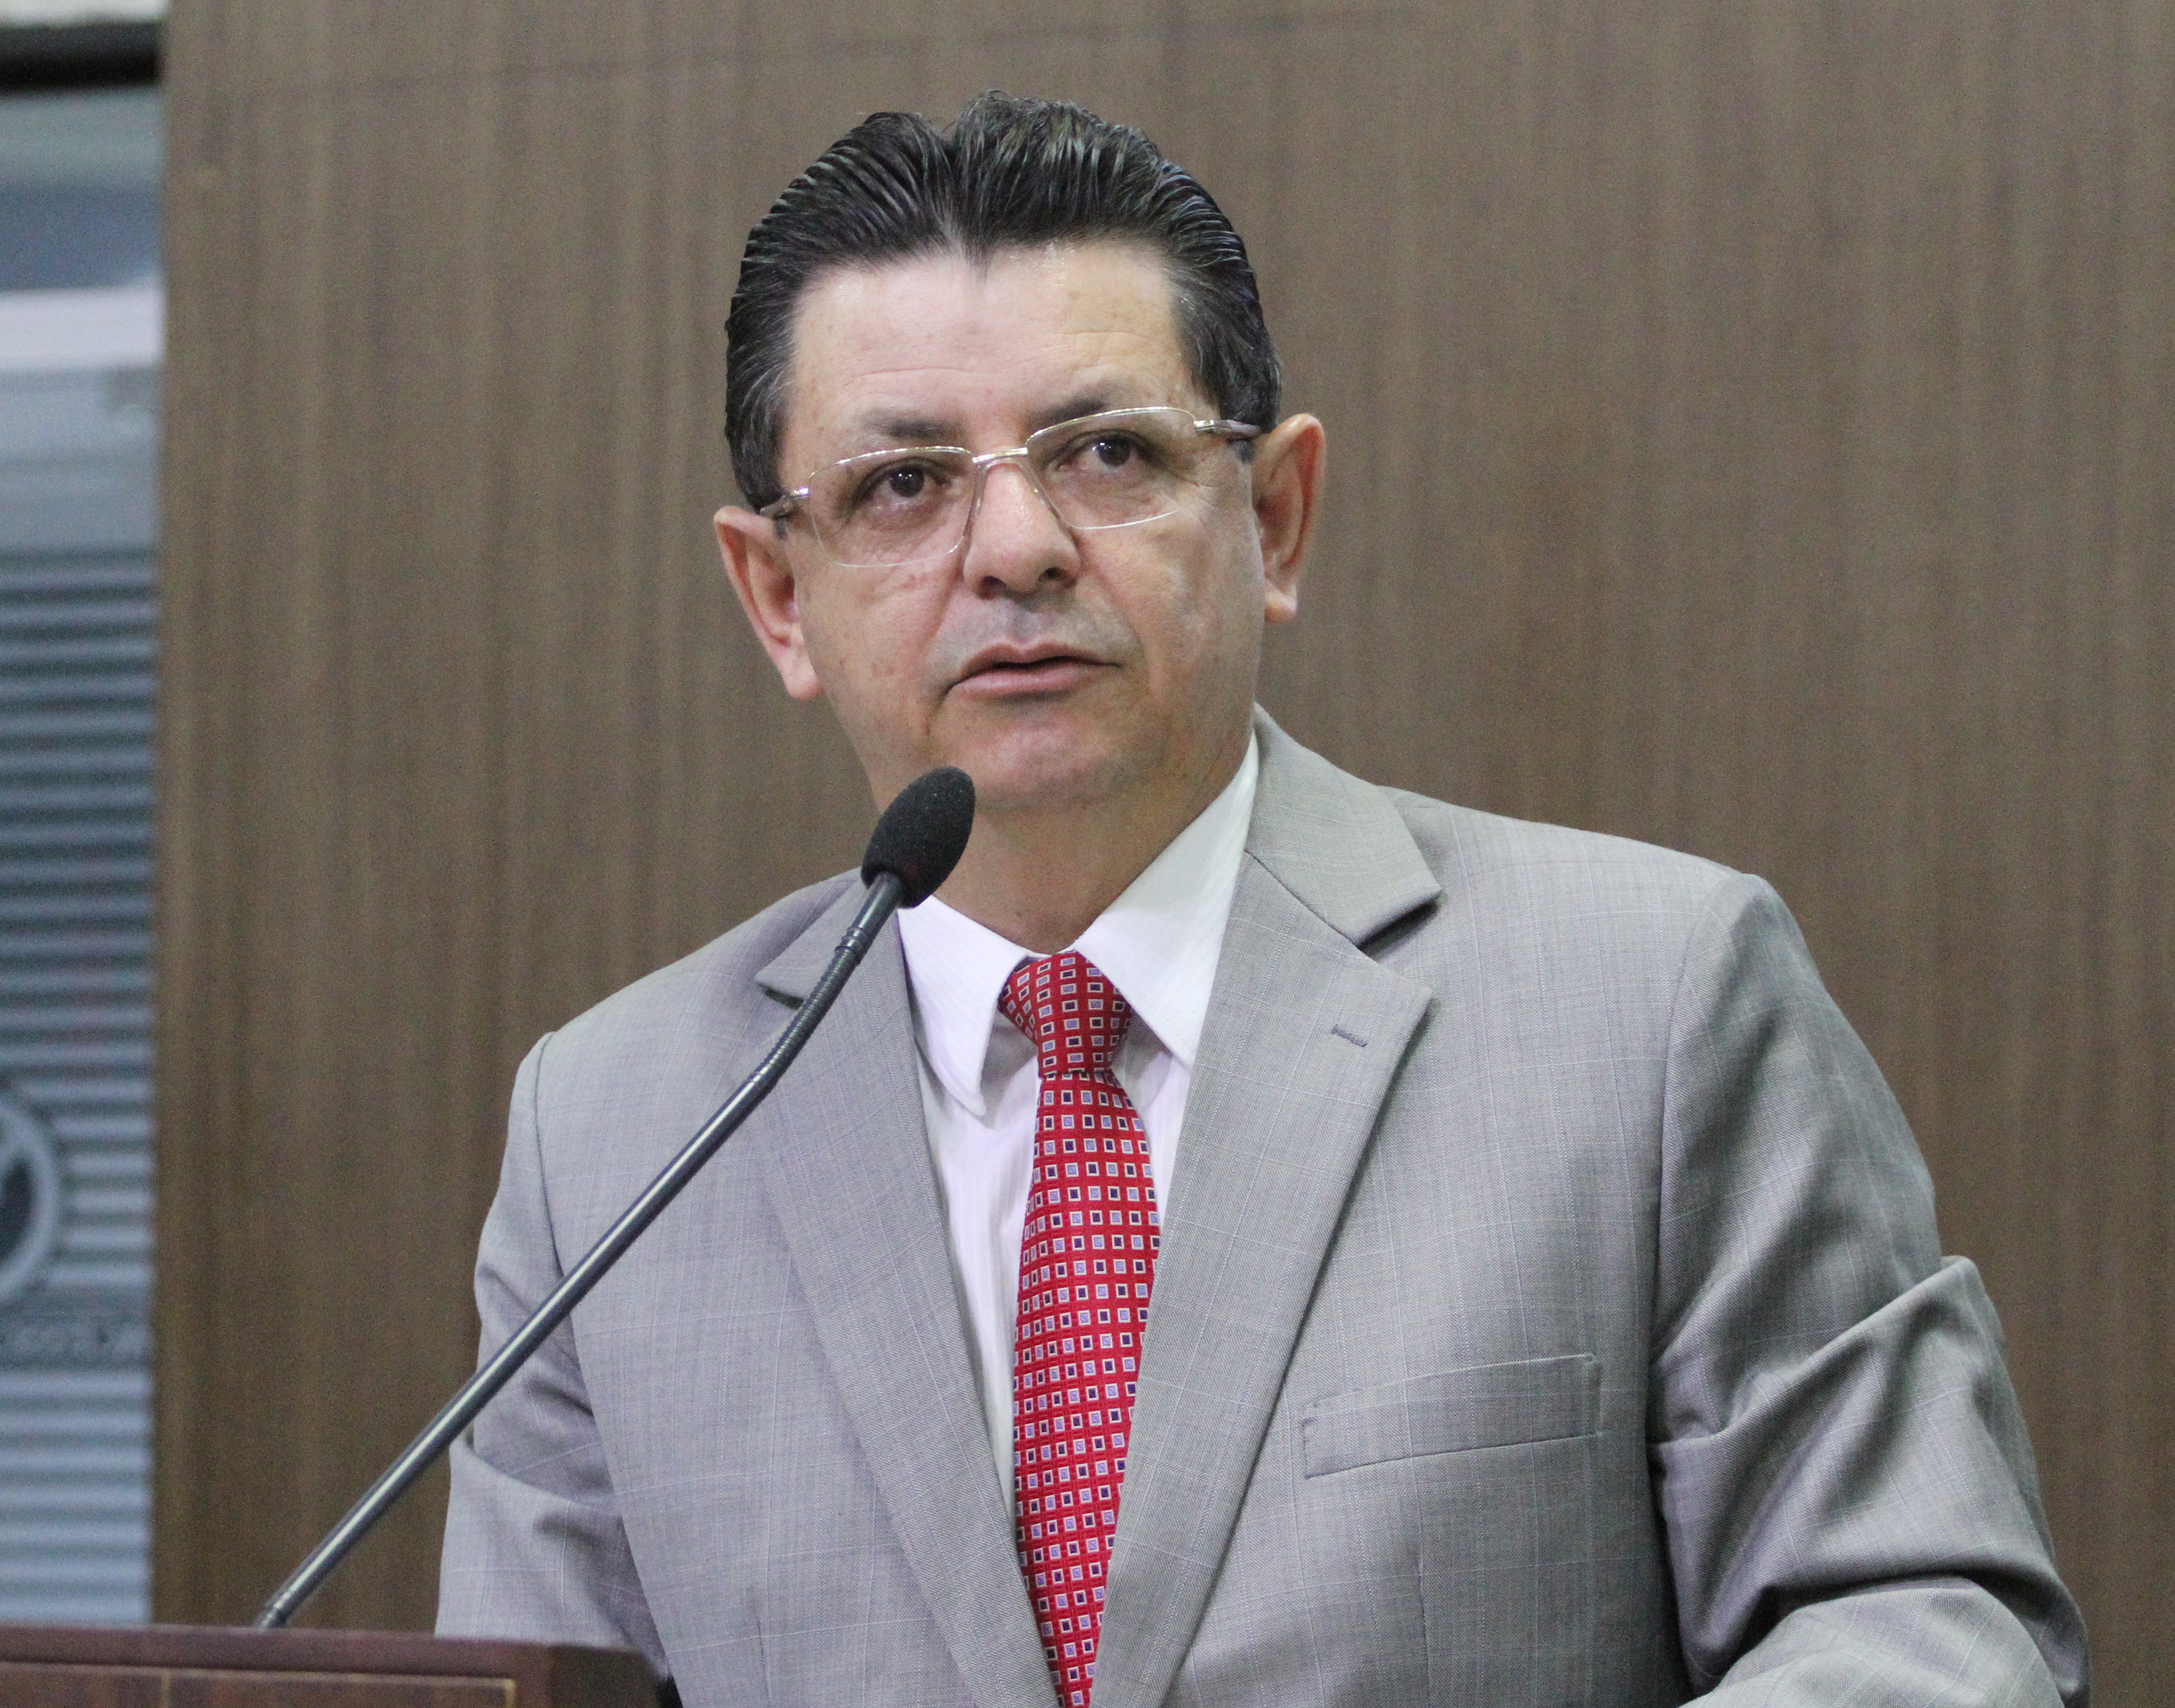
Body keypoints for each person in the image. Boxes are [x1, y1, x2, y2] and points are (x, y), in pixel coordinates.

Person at [437, 94, 2088, 1708]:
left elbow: (1930, 1619)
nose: (1014, 548)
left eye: (1106, 453)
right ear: (777, 598)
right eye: (904, 485)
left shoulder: (1651, 1005)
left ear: (1276, 518)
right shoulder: (616, 1136)